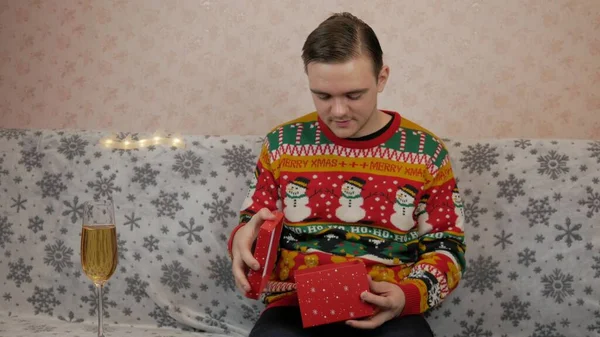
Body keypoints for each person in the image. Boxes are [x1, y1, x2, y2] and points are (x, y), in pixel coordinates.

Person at [228, 12, 466, 337]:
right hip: (294, 306)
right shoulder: (281, 143)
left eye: (354, 95)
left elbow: (447, 245)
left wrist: (406, 297)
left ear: (382, 78)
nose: (337, 112)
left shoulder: (426, 151)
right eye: (323, 96)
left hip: (387, 307)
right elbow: (253, 219)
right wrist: (243, 238)